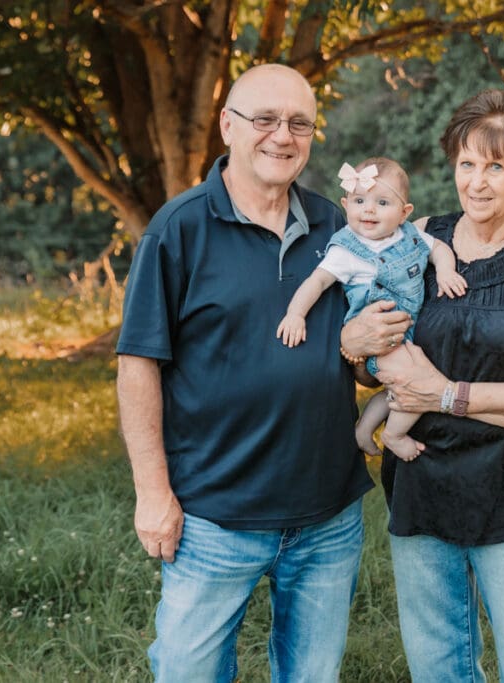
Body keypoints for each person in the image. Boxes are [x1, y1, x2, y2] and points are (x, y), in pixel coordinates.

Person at [115, 64, 408, 683]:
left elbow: (366, 367)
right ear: (228, 125)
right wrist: (152, 493)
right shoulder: (179, 228)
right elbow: (139, 364)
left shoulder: (342, 227)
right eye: (265, 119)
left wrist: (359, 348)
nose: (283, 135)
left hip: (326, 514)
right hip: (212, 515)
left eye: (299, 123)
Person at [340, 89, 504, 682]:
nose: (476, 182)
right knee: (437, 667)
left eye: (496, 165)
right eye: (466, 163)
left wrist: (446, 394)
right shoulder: (418, 238)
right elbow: (371, 353)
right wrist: (357, 348)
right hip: (422, 483)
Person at [276, 157, 467, 461]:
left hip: (409, 333)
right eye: (360, 200)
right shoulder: (346, 249)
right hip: (381, 341)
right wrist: (295, 314)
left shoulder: (410, 236)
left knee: (395, 391)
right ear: (345, 203)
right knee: (416, 385)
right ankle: (394, 434)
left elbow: (439, 249)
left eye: (382, 202)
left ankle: (365, 429)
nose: (368, 209)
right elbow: (317, 281)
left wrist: (445, 271)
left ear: (404, 213)